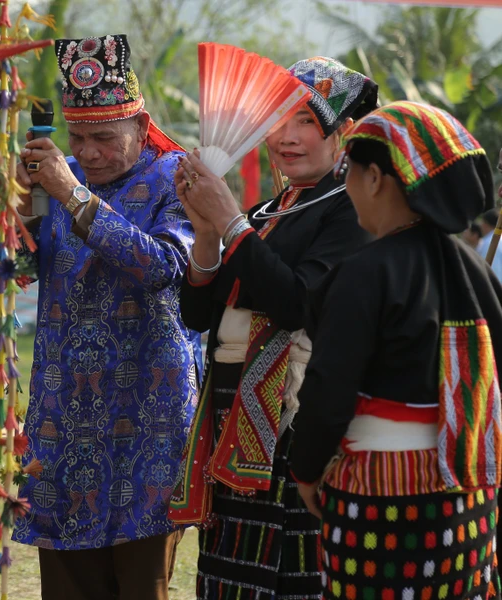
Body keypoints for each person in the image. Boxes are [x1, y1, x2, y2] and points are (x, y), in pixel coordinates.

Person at [169, 56, 378, 599]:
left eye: (306, 121)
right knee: (231, 565)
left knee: (291, 571)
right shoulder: (266, 212)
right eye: (279, 120)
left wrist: (230, 220)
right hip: (232, 409)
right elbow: (198, 316)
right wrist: (208, 234)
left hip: (293, 414)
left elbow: (295, 303)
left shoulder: (348, 209)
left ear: (343, 132)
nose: (287, 137)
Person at [2, 34, 198, 600]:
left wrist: (73, 197)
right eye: (78, 138)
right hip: (64, 415)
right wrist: (20, 208)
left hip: (148, 415)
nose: (88, 153)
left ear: (140, 128)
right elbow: (8, 271)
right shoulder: (58, 178)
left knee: (140, 583)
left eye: (105, 139)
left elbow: (162, 265)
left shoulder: (176, 176)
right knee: (67, 582)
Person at [290, 101, 502, 600]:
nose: (347, 188)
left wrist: (306, 470)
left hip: (381, 495)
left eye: (350, 173)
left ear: (376, 178)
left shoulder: (364, 273)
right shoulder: (474, 271)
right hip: (468, 496)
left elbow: (329, 387)